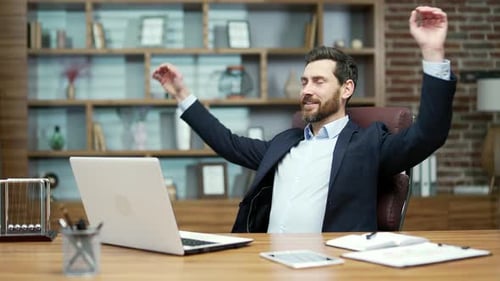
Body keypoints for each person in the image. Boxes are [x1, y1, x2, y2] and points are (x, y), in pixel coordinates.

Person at [152, 6, 456, 233]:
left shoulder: (369, 143)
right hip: (263, 262)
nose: (307, 90)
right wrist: (182, 94)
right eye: (304, 81)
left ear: (346, 88)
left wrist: (432, 53)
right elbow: (228, 143)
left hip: (332, 265)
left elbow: (429, 134)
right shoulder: (286, 142)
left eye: (319, 82)